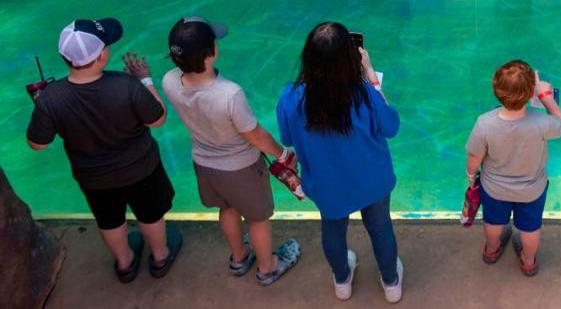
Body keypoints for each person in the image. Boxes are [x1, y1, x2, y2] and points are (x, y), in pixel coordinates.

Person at [26, 18, 182, 282]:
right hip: (141, 169)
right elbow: (158, 119)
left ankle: (125, 263)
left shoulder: (50, 98)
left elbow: (38, 144)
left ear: (65, 58)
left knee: (109, 220)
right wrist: (145, 81)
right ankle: (160, 256)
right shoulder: (126, 85)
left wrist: (43, 106)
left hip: (93, 178)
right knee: (150, 215)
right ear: (101, 56)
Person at [155, 17, 301, 285]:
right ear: (211, 53)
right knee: (257, 219)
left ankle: (239, 257)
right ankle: (268, 267)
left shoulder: (169, 81)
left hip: (205, 165)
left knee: (227, 208)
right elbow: (254, 133)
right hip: (241, 168)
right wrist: (282, 154)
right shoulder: (229, 94)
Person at [276, 22, 402, 302]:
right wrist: (371, 76)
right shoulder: (364, 93)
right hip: (372, 180)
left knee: (332, 231)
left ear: (308, 57)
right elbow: (391, 127)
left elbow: (286, 136)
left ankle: (342, 280)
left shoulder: (290, 97)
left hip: (326, 183)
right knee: (380, 227)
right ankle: (391, 283)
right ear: (351, 58)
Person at [465, 60, 561, 276]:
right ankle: (528, 261)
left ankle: (492, 250)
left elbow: (474, 156)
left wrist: (471, 175)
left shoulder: (484, 123)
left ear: (496, 91)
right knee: (530, 229)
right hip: (532, 190)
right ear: (531, 93)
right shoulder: (542, 123)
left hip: (494, 189)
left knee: (493, 222)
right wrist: (546, 98)